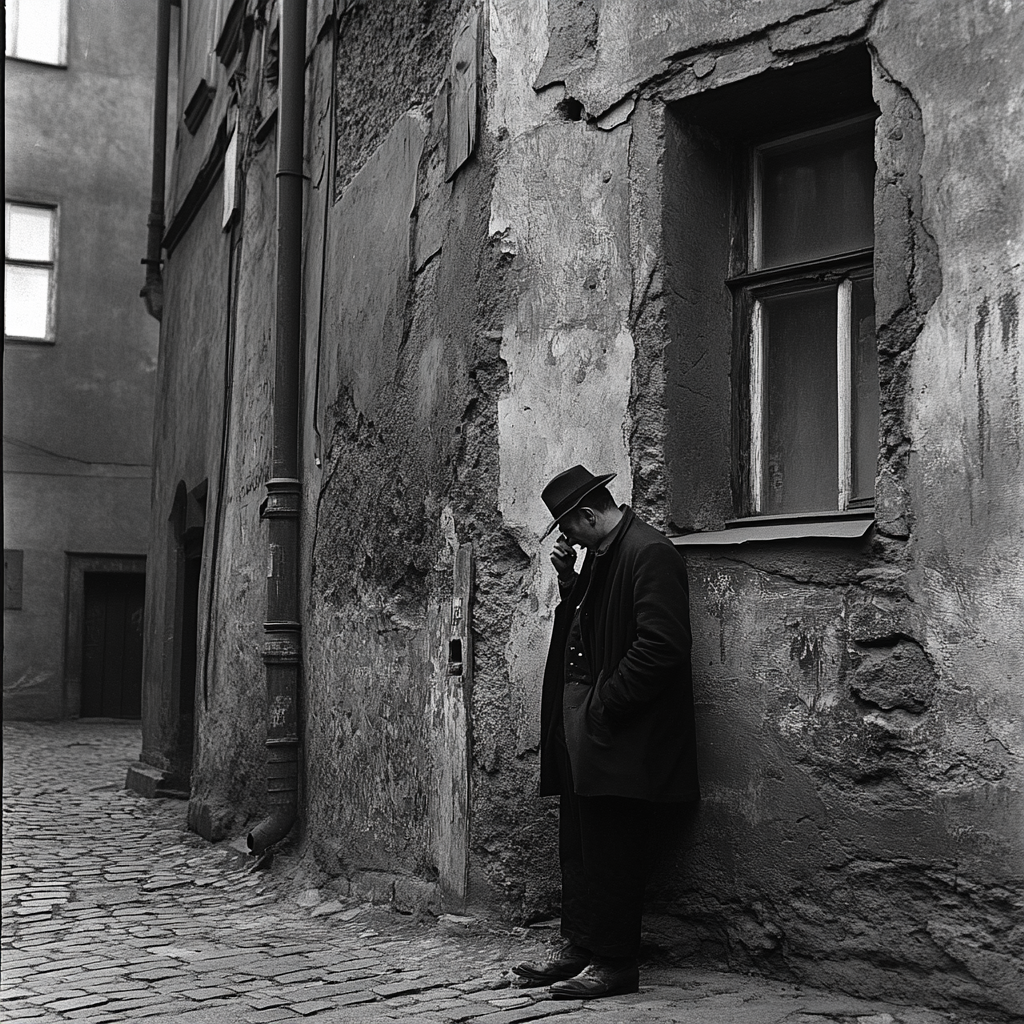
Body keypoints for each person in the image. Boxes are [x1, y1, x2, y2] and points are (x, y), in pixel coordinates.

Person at [513, 464, 700, 1000]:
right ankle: (581, 948)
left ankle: (615, 964)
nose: (566, 537)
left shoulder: (649, 552)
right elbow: (592, 625)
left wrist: (602, 708)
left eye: (568, 526)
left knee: (613, 845)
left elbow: (662, 647)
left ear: (590, 514)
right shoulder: (601, 555)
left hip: (619, 733)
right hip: (588, 730)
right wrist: (572, 586)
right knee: (580, 841)